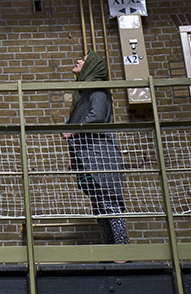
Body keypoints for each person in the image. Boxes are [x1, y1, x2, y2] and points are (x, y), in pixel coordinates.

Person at [62, 52, 129, 246]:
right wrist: (75, 158)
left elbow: (97, 116)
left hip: (101, 158)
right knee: (100, 210)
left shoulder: (97, 90)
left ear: (92, 66)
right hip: (89, 159)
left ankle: (122, 254)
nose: (78, 61)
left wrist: (72, 132)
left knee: (110, 206)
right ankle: (110, 252)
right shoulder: (84, 93)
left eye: (83, 59)